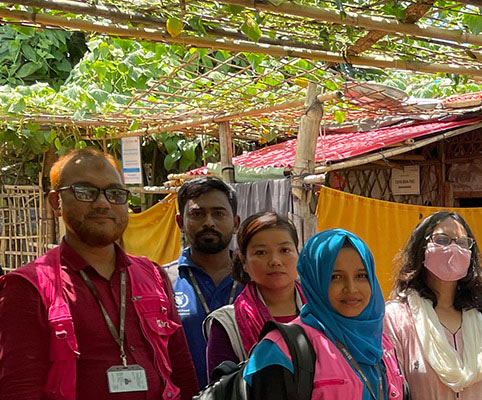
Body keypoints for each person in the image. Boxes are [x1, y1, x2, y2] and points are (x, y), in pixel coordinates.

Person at [0, 148, 199, 399]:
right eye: (85, 191)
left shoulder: (152, 275)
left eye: (115, 193)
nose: (103, 203)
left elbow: (182, 370)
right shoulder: (28, 287)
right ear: (55, 202)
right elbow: (19, 389)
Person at [244, 229, 405, 399]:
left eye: (361, 275)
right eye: (335, 277)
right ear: (314, 280)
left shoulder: (381, 344)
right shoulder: (281, 350)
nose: (351, 288)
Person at [385, 212, 482, 399]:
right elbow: (392, 390)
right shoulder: (396, 318)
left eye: (462, 243)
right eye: (442, 240)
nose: (453, 248)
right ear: (422, 248)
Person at [203, 211, 304, 374]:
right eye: (261, 252)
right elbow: (222, 390)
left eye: (284, 250)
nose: (275, 261)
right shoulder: (228, 324)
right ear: (244, 263)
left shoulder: (323, 313)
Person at [164, 176, 242, 385]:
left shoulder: (256, 279)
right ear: (180, 222)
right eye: (197, 214)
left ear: (236, 223)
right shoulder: (163, 282)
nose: (209, 222)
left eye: (218, 213)